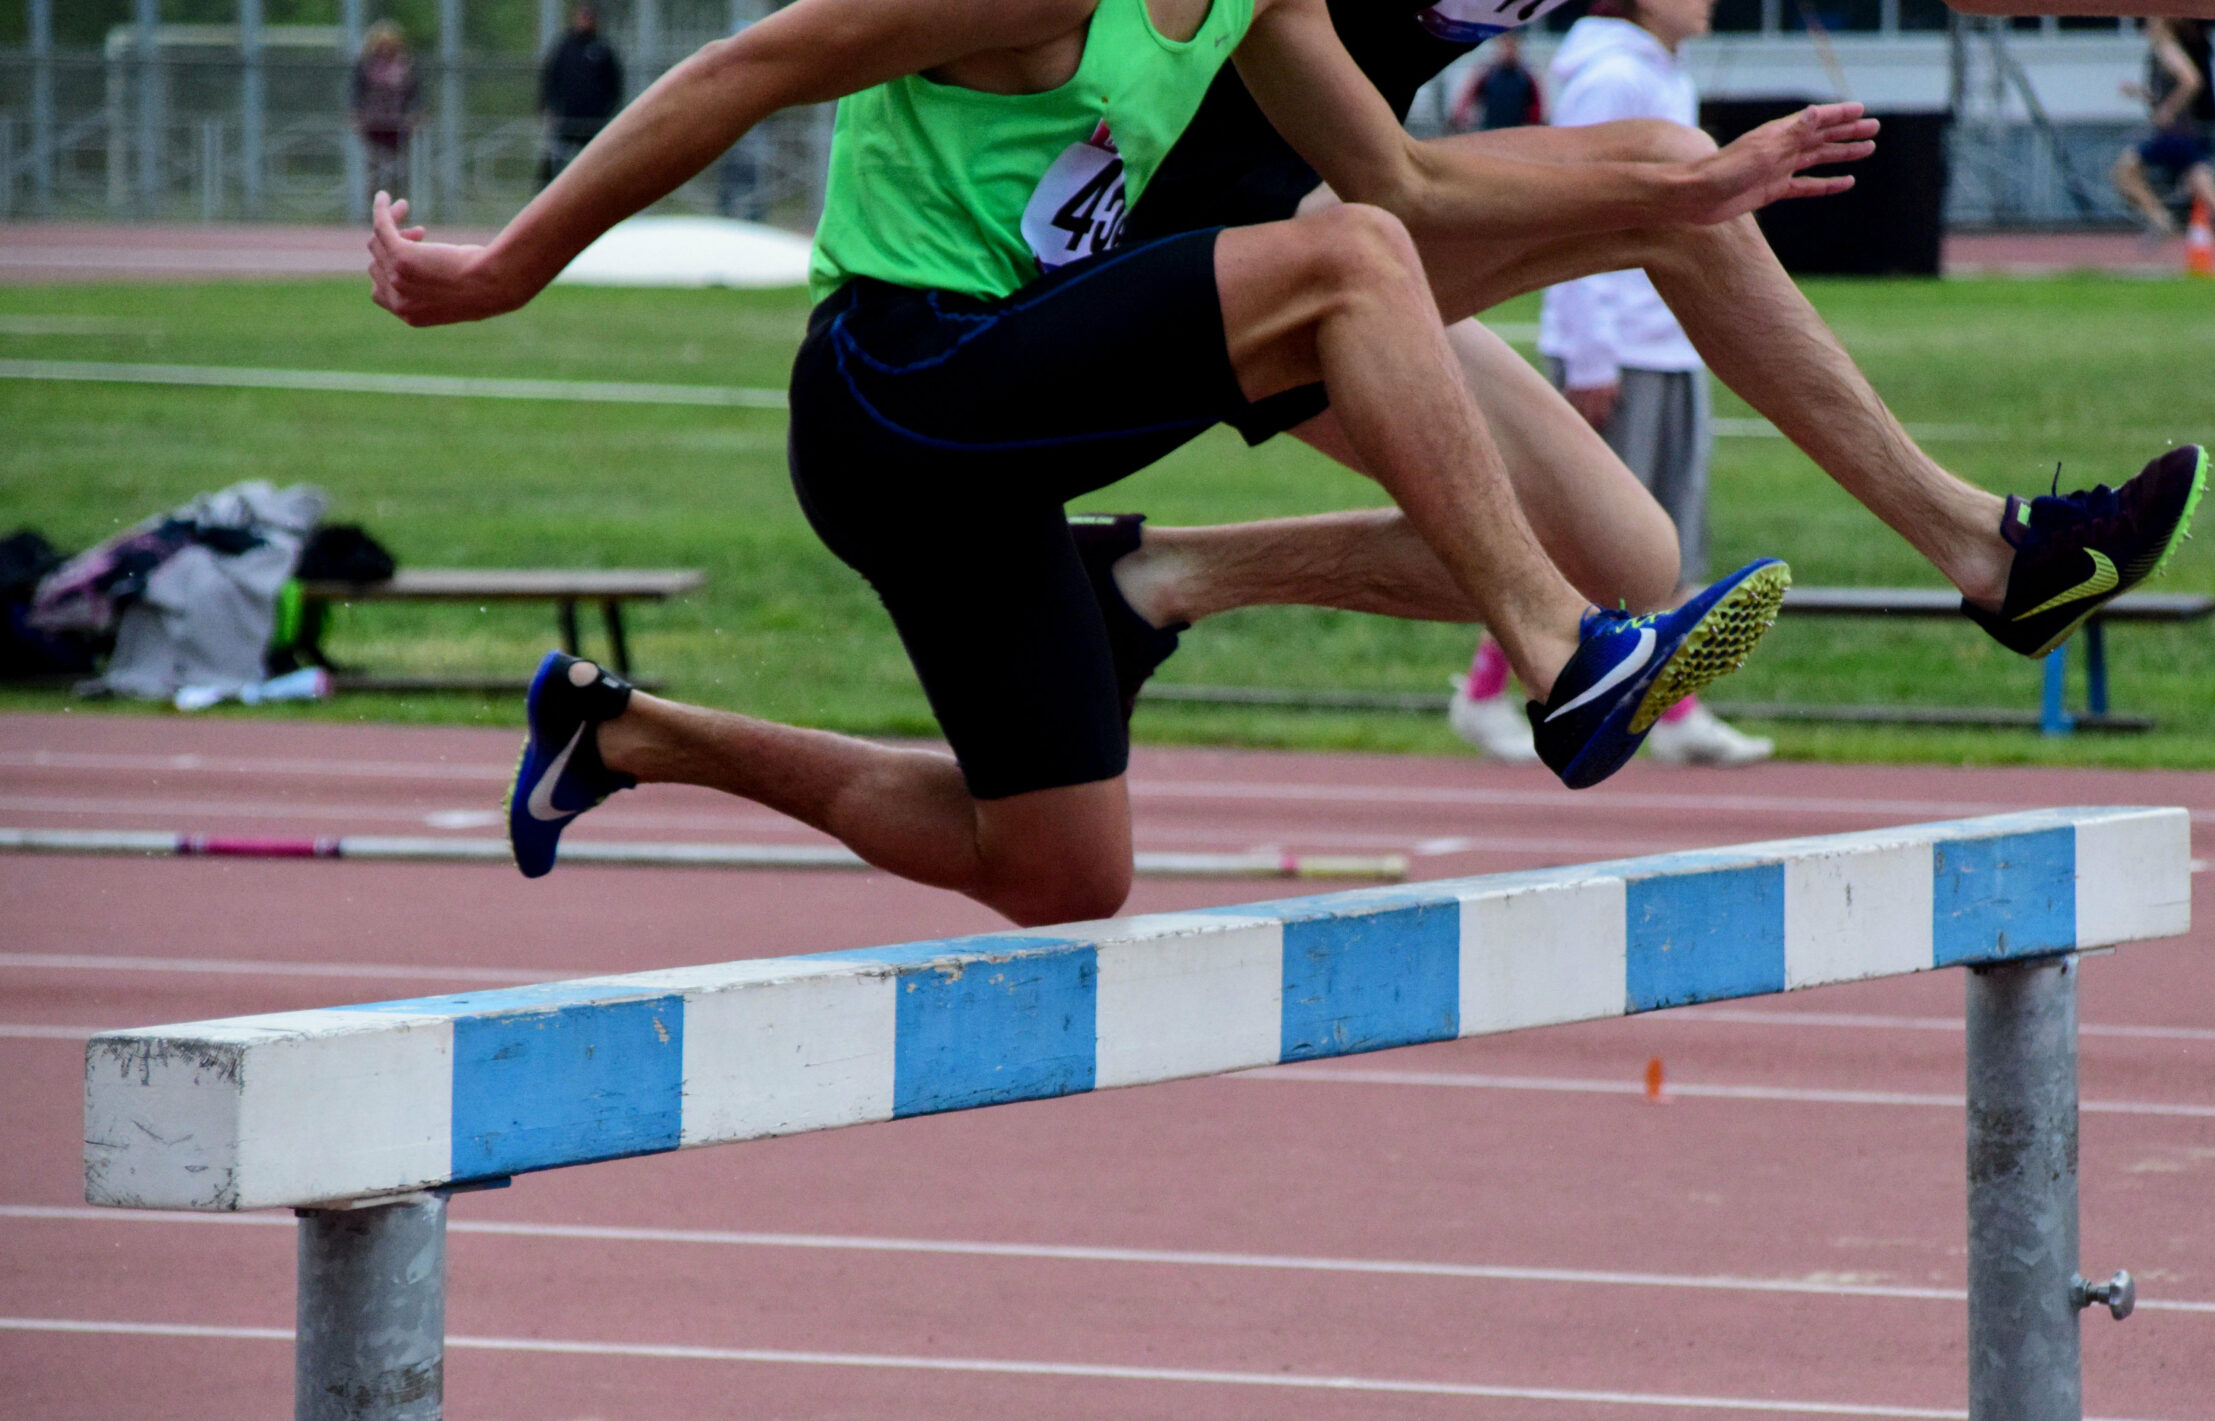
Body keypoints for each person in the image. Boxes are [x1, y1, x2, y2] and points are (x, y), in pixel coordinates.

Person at [369, 0, 1884, 923]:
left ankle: (625, 735)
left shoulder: (1256, 3)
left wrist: (1688, 177)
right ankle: (1564, 656)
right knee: (1350, 265)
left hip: (1001, 439)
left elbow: (1411, 172)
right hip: (898, 389)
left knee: (1057, 872)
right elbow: (748, 66)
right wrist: (510, 265)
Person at [1080, 0, 2215, 745]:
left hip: (1328, 246)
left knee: (1627, 559)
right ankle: (1991, 552)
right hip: (1177, 267)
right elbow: (1397, 176)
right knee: (1673, 181)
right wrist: (1689, 182)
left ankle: (1148, 582)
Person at [1449, 0, 1772, 768]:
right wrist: (1590, 352)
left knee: (1667, 546)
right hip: (1618, 349)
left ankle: (1673, 708)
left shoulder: (1660, 73)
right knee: (1587, 543)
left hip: (1668, 345)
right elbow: (1573, 223)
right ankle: (1486, 691)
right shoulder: (1610, 78)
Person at [2113, 16, 2215, 268]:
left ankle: (2160, 219)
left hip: (2175, 134)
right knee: (2209, 193)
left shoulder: (2167, 49)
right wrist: (2140, 93)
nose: (2145, 29)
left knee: (2124, 170)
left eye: (2148, 23)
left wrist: (2169, 110)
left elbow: (2191, 80)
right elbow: (2164, 93)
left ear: (2162, 24)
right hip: (2185, 134)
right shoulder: (2159, 53)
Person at [539, 4, 624, 187]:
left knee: (596, 165)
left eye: (589, 17)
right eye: (582, 16)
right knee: (555, 163)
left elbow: (614, 84)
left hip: (594, 121)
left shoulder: (603, 49)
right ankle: (544, 198)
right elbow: (550, 79)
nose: (585, 21)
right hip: (567, 119)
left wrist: (607, 111)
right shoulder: (564, 47)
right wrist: (548, 109)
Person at [349, 22, 418, 204]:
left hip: (398, 123)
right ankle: (372, 204)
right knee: (373, 166)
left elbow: (415, 92)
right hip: (373, 121)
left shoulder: (405, 64)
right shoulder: (366, 65)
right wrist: (356, 114)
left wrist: (415, 113)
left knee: (400, 167)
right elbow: (357, 91)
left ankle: (400, 203)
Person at [1448, 30, 1542, 131]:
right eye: (1505, 46)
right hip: (1491, 129)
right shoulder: (1487, 74)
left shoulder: (1525, 76)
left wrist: (1533, 124)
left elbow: (1535, 105)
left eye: (1512, 46)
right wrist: (1460, 116)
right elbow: (1469, 97)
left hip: (1517, 130)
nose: (1508, 50)